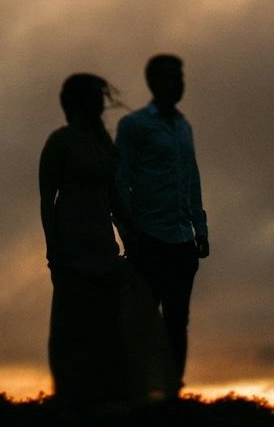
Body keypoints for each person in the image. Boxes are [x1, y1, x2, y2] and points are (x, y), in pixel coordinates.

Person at [39, 73, 173, 409]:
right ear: (81, 101)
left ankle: (122, 396)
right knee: (77, 322)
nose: (101, 101)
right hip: (72, 244)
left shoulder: (102, 145)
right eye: (95, 95)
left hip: (103, 243)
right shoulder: (61, 142)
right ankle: (78, 400)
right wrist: (54, 249)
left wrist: (133, 234)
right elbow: (46, 199)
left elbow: (113, 197)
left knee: (120, 316)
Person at [115, 53, 209, 394]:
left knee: (176, 324)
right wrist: (130, 235)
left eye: (180, 77)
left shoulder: (184, 127)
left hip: (182, 242)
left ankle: (171, 397)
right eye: (170, 77)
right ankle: (133, 396)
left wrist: (201, 228)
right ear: (154, 82)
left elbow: (192, 178)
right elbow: (119, 180)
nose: (178, 84)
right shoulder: (134, 126)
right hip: (148, 239)